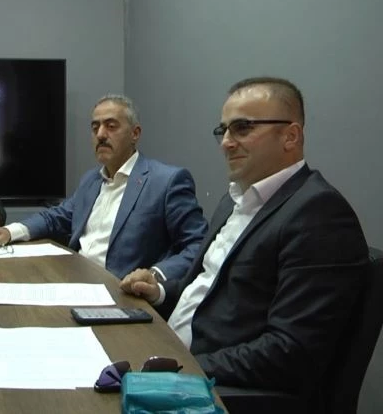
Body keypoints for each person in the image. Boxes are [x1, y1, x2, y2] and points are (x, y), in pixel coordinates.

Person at [120, 77, 368, 409]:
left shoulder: (319, 213)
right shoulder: (234, 200)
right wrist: (160, 292)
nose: (226, 142)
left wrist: (181, 367)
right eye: (223, 130)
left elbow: (290, 353)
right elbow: (212, 291)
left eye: (242, 128)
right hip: (171, 355)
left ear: (291, 136)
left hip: (215, 389)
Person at [0, 94, 207, 280]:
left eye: (111, 126)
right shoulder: (91, 180)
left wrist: (155, 275)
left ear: (135, 134)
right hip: (74, 280)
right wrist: (9, 231)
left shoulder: (166, 181)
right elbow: (57, 216)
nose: (100, 134)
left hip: (122, 292)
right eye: (95, 127)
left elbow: (197, 244)